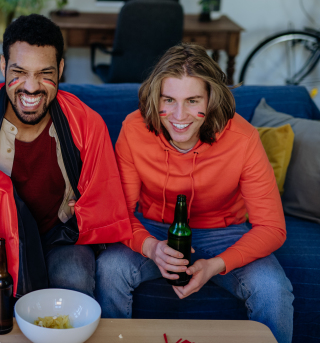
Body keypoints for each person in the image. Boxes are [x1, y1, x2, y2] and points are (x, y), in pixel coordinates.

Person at [95, 43, 294, 343]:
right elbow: (118, 213)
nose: (179, 115)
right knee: (109, 268)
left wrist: (216, 265)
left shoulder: (244, 138)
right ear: (156, 98)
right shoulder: (134, 129)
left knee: (273, 287)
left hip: (226, 232)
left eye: (192, 100)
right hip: (154, 227)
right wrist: (151, 248)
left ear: (211, 99)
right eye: (169, 100)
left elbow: (273, 228)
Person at [0, 14, 133, 315]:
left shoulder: (86, 123)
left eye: (45, 73)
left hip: (62, 236)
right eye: (19, 72)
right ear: (2, 66)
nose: (31, 87)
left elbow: (103, 202)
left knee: (75, 280)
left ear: (61, 70)